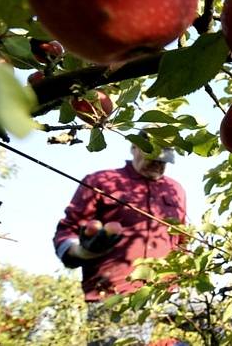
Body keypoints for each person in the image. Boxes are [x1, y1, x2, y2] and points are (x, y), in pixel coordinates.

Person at [53, 141, 187, 345]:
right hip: (114, 299)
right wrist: (80, 251)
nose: (157, 164)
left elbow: (181, 240)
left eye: (163, 161)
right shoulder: (102, 182)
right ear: (134, 147)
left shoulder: (175, 189)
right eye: (152, 158)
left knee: (218, 328)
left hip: (166, 299)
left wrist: (186, 276)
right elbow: (66, 231)